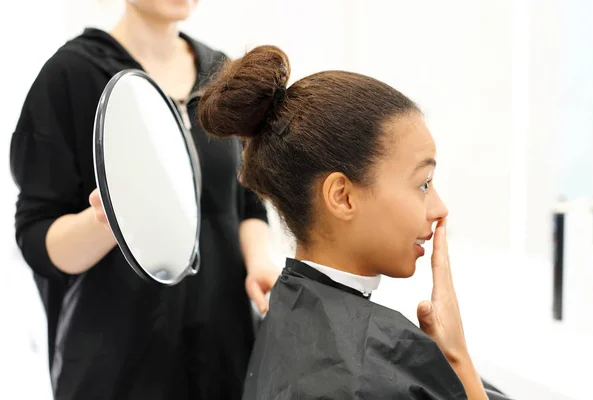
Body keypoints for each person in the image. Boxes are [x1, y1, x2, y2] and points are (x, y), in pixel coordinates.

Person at [197, 45, 513, 399]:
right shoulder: (370, 369)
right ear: (342, 196)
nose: (440, 208)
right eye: (423, 184)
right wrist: (457, 358)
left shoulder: (286, 309)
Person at [9, 1, 280, 399]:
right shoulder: (70, 75)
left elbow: (247, 201)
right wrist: (108, 220)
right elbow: (37, 239)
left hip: (226, 354)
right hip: (119, 367)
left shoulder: (219, 73)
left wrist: (260, 264)